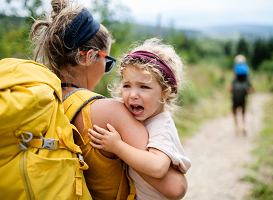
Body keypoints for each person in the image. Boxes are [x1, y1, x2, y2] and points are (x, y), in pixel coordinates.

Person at [30, 0, 187, 199]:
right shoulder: (110, 112)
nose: (106, 71)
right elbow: (176, 187)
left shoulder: (44, 99)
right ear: (89, 57)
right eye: (108, 62)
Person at [88, 38, 191, 199]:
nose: (133, 95)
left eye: (144, 87)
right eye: (127, 85)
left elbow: (158, 167)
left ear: (165, 92)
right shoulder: (143, 117)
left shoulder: (161, 126)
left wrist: (117, 146)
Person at [229, 54, 254, 135]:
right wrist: (248, 90)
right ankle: (243, 126)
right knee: (243, 112)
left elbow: (230, 88)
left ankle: (236, 127)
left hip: (235, 97)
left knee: (234, 112)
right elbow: (251, 88)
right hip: (243, 96)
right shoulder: (246, 74)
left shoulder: (235, 73)